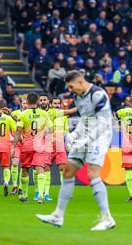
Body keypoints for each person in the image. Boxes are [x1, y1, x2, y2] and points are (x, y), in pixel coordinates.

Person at [36, 70, 116, 231]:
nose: (70, 90)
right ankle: (58, 216)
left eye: (71, 86)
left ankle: (107, 218)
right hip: (86, 134)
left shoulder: (98, 95)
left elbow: (103, 123)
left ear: (80, 81)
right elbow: (84, 120)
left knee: (92, 172)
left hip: (101, 136)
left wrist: (86, 140)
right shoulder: (77, 97)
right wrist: (75, 134)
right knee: (68, 171)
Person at [11, 93, 53, 203]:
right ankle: (40, 195)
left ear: (27, 101)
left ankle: (24, 195)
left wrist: (14, 146)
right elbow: (51, 129)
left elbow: (18, 131)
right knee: (40, 169)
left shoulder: (23, 114)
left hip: (27, 145)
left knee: (25, 169)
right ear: (38, 101)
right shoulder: (44, 114)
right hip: (40, 145)